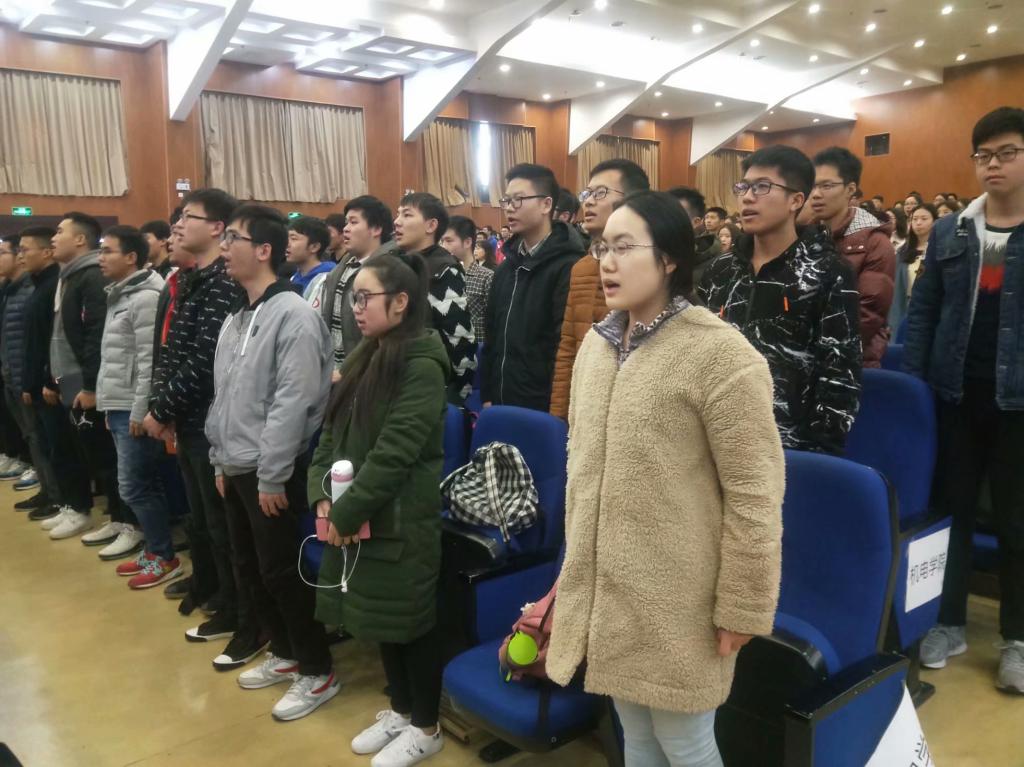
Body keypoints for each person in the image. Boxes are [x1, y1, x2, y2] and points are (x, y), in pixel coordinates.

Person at [547, 191, 784, 767]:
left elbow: (755, 495)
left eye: (625, 247)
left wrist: (743, 606)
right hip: (610, 589)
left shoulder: (720, 355)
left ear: (670, 258)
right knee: (635, 732)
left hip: (680, 595)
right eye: (603, 248)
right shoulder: (598, 347)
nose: (607, 262)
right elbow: (583, 471)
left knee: (686, 742)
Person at [310, 250, 447, 767]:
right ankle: (401, 709)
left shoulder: (422, 365)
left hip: (401, 518)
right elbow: (330, 434)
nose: (356, 307)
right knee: (380, 619)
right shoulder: (366, 354)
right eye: (354, 298)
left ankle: (426, 726)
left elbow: (395, 453)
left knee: (410, 622)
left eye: (365, 298)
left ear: (401, 301)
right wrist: (323, 496)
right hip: (359, 514)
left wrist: (346, 514)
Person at [904, 107, 1024, 694]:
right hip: (954, 394)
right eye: (983, 155)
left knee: (1016, 520)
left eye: (1007, 153)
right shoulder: (953, 231)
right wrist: (919, 386)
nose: (992, 164)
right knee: (950, 512)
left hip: (1019, 402)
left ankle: (1017, 638)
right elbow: (924, 311)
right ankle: (946, 621)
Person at [208, 204, 338, 720]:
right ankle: (284, 652)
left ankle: (317, 669)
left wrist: (271, 474)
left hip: (271, 471)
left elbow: (294, 401)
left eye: (233, 238)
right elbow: (224, 395)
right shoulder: (237, 315)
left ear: (264, 250)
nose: (224, 248)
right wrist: (219, 460)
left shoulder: (294, 315)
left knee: (282, 571)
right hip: (236, 463)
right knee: (250, 568)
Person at [144, 188, 258, 666]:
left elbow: (204, 360)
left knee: (225, 527)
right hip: (188, 419)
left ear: (216, 228)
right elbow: (170, 350)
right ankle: (221, 597)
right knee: (207, 522)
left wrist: (162, 408)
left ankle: (241, 612)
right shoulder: (191, 279)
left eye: (188, 217)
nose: (177, 225)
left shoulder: (222, 284)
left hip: (211, 423)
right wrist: (163, 406)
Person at [699, 146, 862, 455]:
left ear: (796, 200)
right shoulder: (720, 270)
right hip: (715, 437)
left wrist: (819, 450)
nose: (747, 197)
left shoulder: (827, 272)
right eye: (743, 187)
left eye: (762, 187)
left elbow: (840, 372)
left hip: (788, 446)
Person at [95, 225, 182, 587]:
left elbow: (150, 360)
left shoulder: (145, 297)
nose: (101, 258)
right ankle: (155, 549)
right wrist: (109, 405)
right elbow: (115, 358)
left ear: (131, 257)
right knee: (141, 484)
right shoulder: (120, 294)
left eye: (108, 251)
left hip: (134, 407)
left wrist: (138, 409)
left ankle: (163, 555)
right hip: (119, 403)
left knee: (135, 487)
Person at [47, 212, 132, 544]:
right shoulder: (70, 276)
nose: (54, 238)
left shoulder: (91, 277)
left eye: (60, 232)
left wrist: (90, 385)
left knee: (106, 456)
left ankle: (126, 523)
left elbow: (97, 335)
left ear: (80, 239)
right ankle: (114, 517)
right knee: (88, 452)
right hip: (70, 377)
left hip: (88, 382)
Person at [550, 159, 649, 421]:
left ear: (633, 200)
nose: (589, 202)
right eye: (587, 194)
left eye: (600, 193)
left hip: (629, 411)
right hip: (584, 408)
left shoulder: (645, 268)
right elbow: (568, 348)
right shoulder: (581, 268)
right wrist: (558, 416)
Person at [484, 163, 585, 413]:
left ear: (546, 204)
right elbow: (492, 336)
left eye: (518, 199)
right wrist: (488, 393)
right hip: (501, 400)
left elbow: (564, 346)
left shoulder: (569, 266)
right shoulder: (505, 269)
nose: (509, 207)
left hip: (542, 407)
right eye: (506, 200)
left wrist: (557, 407)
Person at [811, 147, 896, 368]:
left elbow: (867, 315)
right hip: (805, 359)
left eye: (826, 186)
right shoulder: (806, 236)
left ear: (850, 189)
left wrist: (814, 348)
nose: (816, 194)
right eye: (813, 185)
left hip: (853, 363)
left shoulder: (875, 243)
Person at [393, 192, 476, 405]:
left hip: (430, 384)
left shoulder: (444, 269)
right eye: (398, 214)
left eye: (407, 215)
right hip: (396, 375)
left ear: (431, 226)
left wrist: (460, 392)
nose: (397, 221)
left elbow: (459, 336)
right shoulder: (397, 263)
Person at [19, 227, 70, 523]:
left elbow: (58, 340)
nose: (21, 256)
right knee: (45, 443)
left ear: (47, 252)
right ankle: (55, 495)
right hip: (38, 382)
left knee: (61, 447)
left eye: (26, 250)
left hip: (52, 384)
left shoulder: (54, 286)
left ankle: (68, 502)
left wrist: (51, 381)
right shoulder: (38, 287)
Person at [319, 196, 399, 378]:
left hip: (366, 373)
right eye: (346, 222)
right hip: (335, 370)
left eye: (354, 222)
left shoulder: (389, 269)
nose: (346, 228)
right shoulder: (344, 266)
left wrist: (352, 370)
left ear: (376, 229)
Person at [0, 235, 36, 489]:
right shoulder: (8, 291)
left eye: (3, 253)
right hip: (10, 371)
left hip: (26, 375)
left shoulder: (30, 291)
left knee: (38, 434)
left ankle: (55, 489)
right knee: (26, 430)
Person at [442, 215, 492, 345]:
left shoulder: (486, 276)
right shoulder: (443, 275)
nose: (443, 246)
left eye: (449, 241)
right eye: (442, 241)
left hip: (479, 345)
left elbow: (494, 318)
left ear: (467, 242)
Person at [889, 203, 938, 332]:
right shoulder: (903, 252)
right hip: (906, 307)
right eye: (914, 219)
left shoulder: (940, 250)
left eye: (924, 219)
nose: (918, 223)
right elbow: (896, 289)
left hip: (931, 308)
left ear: (935, 221)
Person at [667, 186, 722, 286]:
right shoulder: (652, 255)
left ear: (696, 222)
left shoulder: (717, 266)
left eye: (675, 215)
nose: (666, 220)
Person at [287, 216, 334, 302]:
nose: (287, 243)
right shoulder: (294, 278)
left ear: (314, 247)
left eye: (293, 238)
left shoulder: (327, 280)